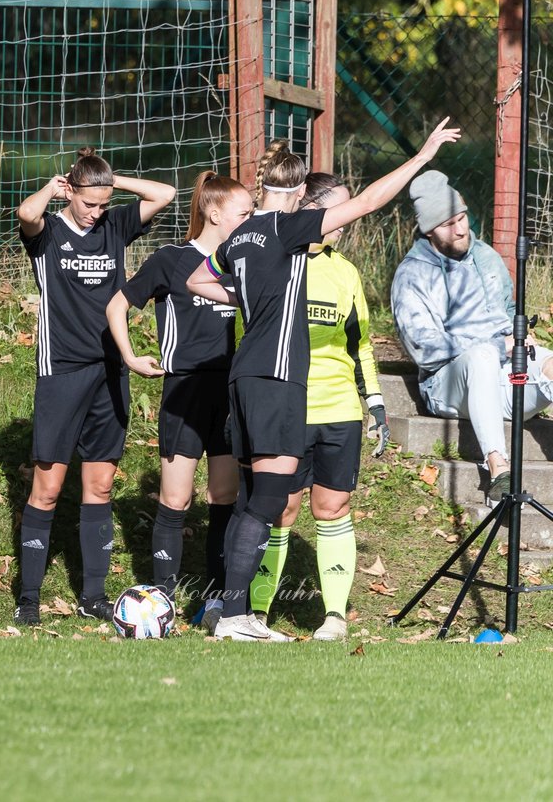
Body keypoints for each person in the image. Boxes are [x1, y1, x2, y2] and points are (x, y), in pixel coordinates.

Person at [187, 119, 460, 642]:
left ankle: (236, 614)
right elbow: (369, 202)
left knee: (263, 498)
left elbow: (197, 277)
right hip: (276, 378)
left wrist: (248, 301)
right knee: (268, 501)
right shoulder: (282, 227)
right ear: (296, 199)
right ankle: (237, 615)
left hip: (245, 374)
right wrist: (421, 156)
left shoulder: (239, 236)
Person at [14, 147, 176, 626]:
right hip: (62, 371)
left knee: (100, 485)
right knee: (47, 487)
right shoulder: (49, 232)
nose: (97, 212)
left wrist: (110, 182)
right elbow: (27, 213)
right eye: (89, 203)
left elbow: (165, 193)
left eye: (103, 204)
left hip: (111, 371)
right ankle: (29, 598)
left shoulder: (115, 225)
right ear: (70, 193)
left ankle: (93, 595)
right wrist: (57, 188)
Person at [105, 172, 251, 632]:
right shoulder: (171, 260)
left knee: (224, 497)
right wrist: (129, 356)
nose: (250, 221)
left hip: (229, 394)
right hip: (184, 393)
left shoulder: (242, 262)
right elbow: (116, 305)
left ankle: (219, 602)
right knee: (176, 497)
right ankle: (161, 600)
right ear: (214, 213)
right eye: (243, 214)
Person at [247, 173, 389, 641]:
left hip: (339, 410)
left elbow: (360, 345)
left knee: (333, 507)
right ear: (309, 208)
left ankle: (334, 618)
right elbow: (246, 338)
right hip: (285, 407)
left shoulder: (345, 272)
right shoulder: (276, 255)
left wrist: (375, 402)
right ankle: (257, 613)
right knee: (280, 509)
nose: (345, 223)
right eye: (339, 211)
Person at [391, 170, 553, 501]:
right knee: (481, 356)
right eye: (449, 223)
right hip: (448, 385)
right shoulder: (412, 274)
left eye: (462, 217)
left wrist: (523, 339)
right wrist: (496, 345)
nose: (462, 228)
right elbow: (425, 349)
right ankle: (500, 471)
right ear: (430, 230)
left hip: (504, 380)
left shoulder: (485, 256)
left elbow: (507, 314)